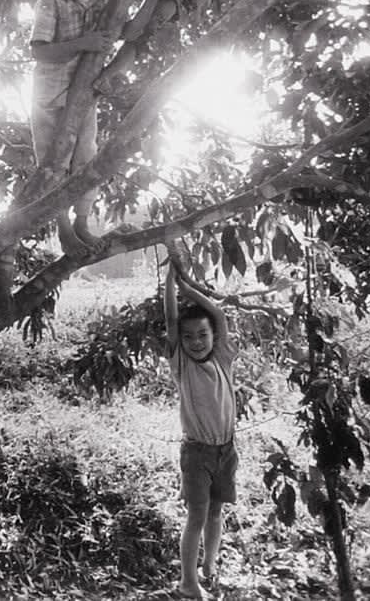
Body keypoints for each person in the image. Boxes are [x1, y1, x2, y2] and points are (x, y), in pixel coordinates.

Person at [28, 0, 161, 253]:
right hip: (49, 98)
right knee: (51, 163)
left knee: (87, 158)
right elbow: (39, 50)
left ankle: (82, 220)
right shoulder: (50, 1)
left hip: (86, 96)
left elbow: (128, 33)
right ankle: (61, 227)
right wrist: (83, 43)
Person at [164, 255, 238, 600]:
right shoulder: (182, 365)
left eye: (202, 335)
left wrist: (187, 288)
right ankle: (188, 581)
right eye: (189, 336)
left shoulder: (222, 358)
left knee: (216, 511)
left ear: (213, 337)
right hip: (197, 453)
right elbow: (171, 319)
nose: (196, 341)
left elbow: (219, 315)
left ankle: (210, 565)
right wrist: (170, 284)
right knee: (197, 515)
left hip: (227, 450)